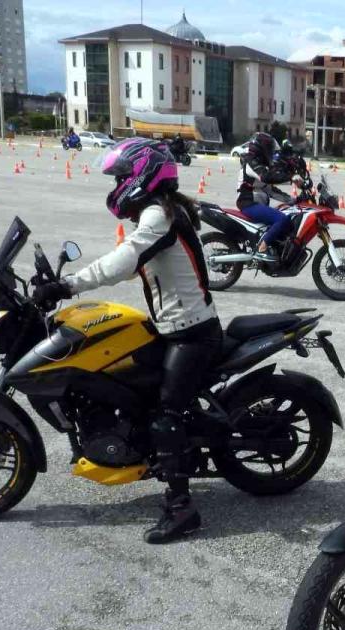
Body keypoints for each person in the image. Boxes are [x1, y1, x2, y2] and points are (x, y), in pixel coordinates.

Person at [30, 138, 223, 544]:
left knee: (164, 413)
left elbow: (123, 260)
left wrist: (68, 285)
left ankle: (181, 508)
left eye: (120, 177)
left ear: (142, 176)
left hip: (192, 334)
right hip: (174, 327)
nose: (116, 185)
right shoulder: (162, 211)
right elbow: (126, 255)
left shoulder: (159, 216)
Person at [236, 132, 294, 262]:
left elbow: (270, 190)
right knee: (281, 219)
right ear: (262, 148)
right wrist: (291, 179)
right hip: (248, 204)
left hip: (256, 204)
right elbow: (266, 177)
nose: (271, 152)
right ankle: (262, 248)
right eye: (269, 149)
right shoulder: (250, 162)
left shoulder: (259, 165)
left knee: (287, 216)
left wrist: (293, 200)